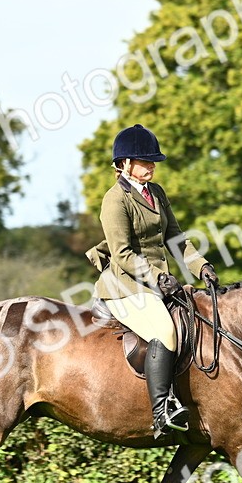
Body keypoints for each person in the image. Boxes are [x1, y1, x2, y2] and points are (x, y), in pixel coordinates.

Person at [85, 124, 220, 437]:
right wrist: (160, 277)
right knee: (164, 331)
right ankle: (162, 412)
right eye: (145, 161)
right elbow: (122, 255)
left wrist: (201, 266)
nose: (152, 166)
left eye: (153, 161)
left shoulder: (156, 193)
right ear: (125, 164)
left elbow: (175, 237)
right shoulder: (115, 200)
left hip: (156, 282)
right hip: (124, 285)